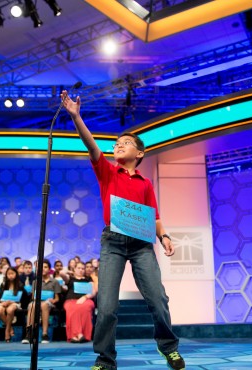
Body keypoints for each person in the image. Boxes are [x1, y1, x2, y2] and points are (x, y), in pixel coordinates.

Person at [62, 90, 185, 370]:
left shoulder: (145, 183)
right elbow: (91, 146)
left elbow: (154, 217)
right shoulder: (107, 171)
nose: (119, 145)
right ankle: (105, 360)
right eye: (117, 143)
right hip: (113, 243)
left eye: (126, 143)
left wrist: (163, 236)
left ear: (139, 153)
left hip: (142, 244)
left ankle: (169, 349)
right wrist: (77, 117)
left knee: (158, 299)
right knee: (106, 305)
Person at [22, 260, 61, 344]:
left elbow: (57, 298)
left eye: (45, 267)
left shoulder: (54, 281)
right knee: (31, 305)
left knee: (44, 305)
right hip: (37, 302)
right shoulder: (35, 282)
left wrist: (53, 300)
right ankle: (29, 334)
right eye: (41, 267)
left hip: (49, 303)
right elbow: (33, 297)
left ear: (49, 269)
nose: (43, 269)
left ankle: (45, 334)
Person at [62, 262, 95, 344]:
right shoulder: (70, 279)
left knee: (86, 306)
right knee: (72, 308)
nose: (81, 270)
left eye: (83, 268)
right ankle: (78, 335)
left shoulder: (88, 279)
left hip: (86, 299)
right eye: (79, 268)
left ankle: (81, 335)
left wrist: (85, 297)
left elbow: (93, 292)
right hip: (71, 300)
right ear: (74, 269)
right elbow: (62, 273)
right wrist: (70, 272)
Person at [0, 266, 24, 342]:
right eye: (9, 274)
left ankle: (7, 331)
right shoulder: (3, 284)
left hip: (16, 303)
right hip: (4, 302)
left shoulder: (20, 284)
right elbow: (0, 298)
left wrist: (11, 302)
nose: (10, 275)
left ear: (16, 274)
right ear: (6, 275)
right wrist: (3, 302)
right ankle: (10, 328)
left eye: (12, 273)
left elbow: (21, 299)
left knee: (10, 310)